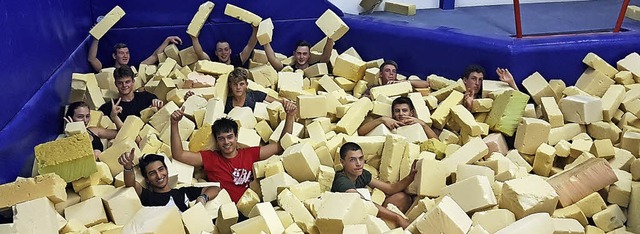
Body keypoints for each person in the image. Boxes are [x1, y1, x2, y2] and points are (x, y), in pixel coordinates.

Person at [169, 100, 297, 203]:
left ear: (236, 137)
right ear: (217, 142)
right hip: (224, 213)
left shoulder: (250, 154)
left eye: (230, 137)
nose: (226, 142)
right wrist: (174, 124)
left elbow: (281, 145)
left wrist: (290, 116)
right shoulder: (210, 158)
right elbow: (179, 154)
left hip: (251, 208)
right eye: (221, 139)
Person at [332, 142, 416, 229]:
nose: (359, 163)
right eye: (352, 160)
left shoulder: (362, 174)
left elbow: (391, 188)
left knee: (402, 198)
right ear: (342, 162)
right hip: (348, 221)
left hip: (366, 211)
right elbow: (363, 203)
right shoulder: (341, 180)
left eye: (361, 158)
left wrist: (411, 177)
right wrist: (398, 218)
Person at [117, 149, 221, 212]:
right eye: (152, 173)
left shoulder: (183, 192)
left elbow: (215, 189)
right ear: (147, 179)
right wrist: (128, 166)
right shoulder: (148, 197)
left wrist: (202, 198)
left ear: (167, 170)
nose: (159, 176)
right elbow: (131, 185)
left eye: (161, 169)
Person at [98, 66, 164, 121]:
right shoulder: (108, 108)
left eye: (127, 82)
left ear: (133, 81)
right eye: (120, 83)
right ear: (116, 84)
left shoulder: (147, 98)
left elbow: (162, 117)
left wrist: (159, 106)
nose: (124, 85)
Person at [88, 35, 182, 72]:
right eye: (121, 53)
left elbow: (155, 56)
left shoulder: (136, 69)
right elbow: (92, 59)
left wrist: (167, 40)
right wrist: (96, 37)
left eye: (127, 53)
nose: (125, 56)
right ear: (114, 56)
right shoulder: (105, 71)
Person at [357, 97, 438, 139]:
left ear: (412, 113)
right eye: (397, 111)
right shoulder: (388, 124)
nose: (401, 114)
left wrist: (423, 124)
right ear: (393, 113)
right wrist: (382, 119)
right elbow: (360, 132)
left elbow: (436, 141)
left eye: (404, 110)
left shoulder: (418, 126)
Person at [190, 26, 258, 68]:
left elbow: (250, 46)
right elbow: (200, 53)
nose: (223, 53)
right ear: (216, 53)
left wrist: (255, 30)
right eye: (220, 50)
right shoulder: (213, 65)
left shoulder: (237, 61)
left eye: (226, 49)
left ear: (230, 51)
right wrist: (194, 39)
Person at [264, 38, 334, 71]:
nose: (301, 57)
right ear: (294, 54)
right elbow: (272, 59)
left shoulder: (316, 68)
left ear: (309, 55)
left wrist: (330, 38)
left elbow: (326, 56)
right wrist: (265, 41)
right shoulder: (289, 69)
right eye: (299, 53)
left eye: (305, 54)